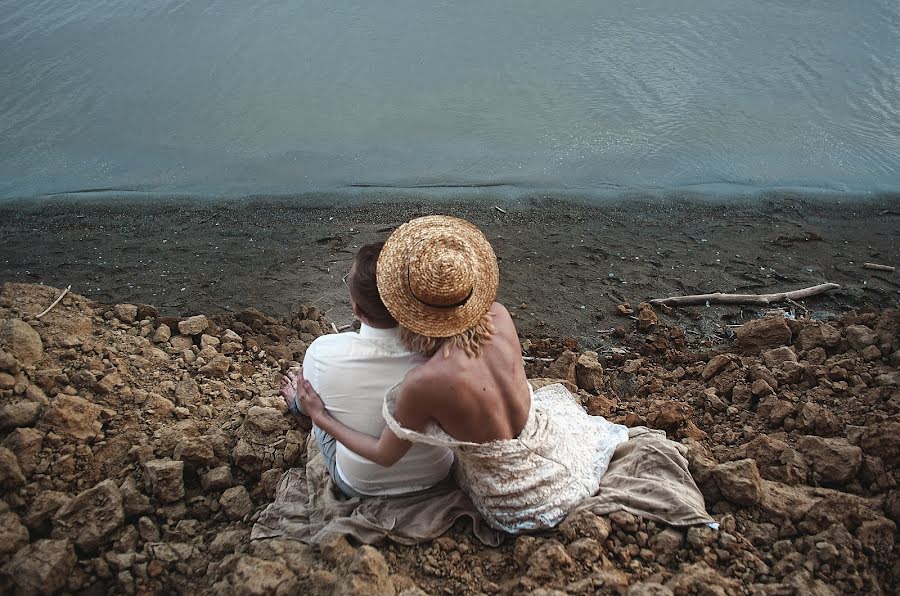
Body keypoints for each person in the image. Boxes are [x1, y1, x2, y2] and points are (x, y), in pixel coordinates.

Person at [298, 216, 630, 532]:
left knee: (320, 409)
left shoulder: (426, 379)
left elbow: (385, 455)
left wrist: (320, 417)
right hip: (542, 452)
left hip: (512, 503)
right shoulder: (499, 315)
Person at [280, 242, 454, 499]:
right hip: (437, 474)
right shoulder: (446, 354)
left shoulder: (322, 352)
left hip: (360, 484)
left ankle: (295, 408)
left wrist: (306, 409)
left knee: (311, 403)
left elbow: (385, 454)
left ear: (358, 310)